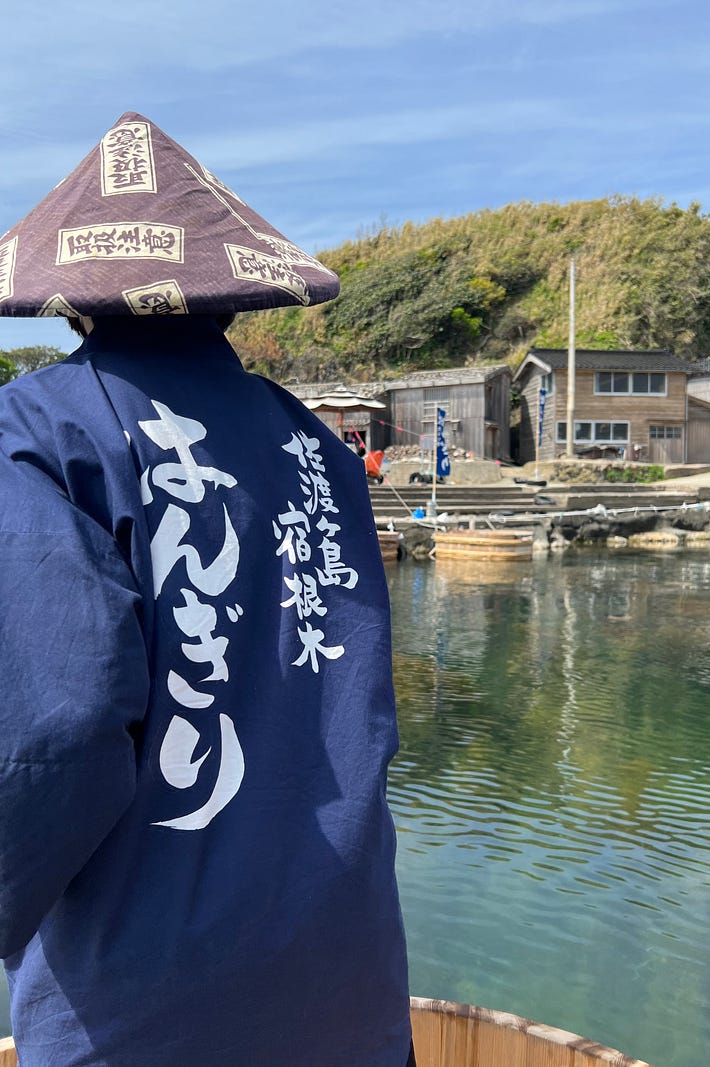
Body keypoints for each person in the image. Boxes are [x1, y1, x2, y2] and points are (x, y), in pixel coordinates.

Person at [0, 112, 413, 1066]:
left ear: (72, 303)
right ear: (232, 295)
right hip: (351, 992)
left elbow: (47, 740)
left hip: (145, 1020)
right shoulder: (317, 446)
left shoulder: (38, 431)